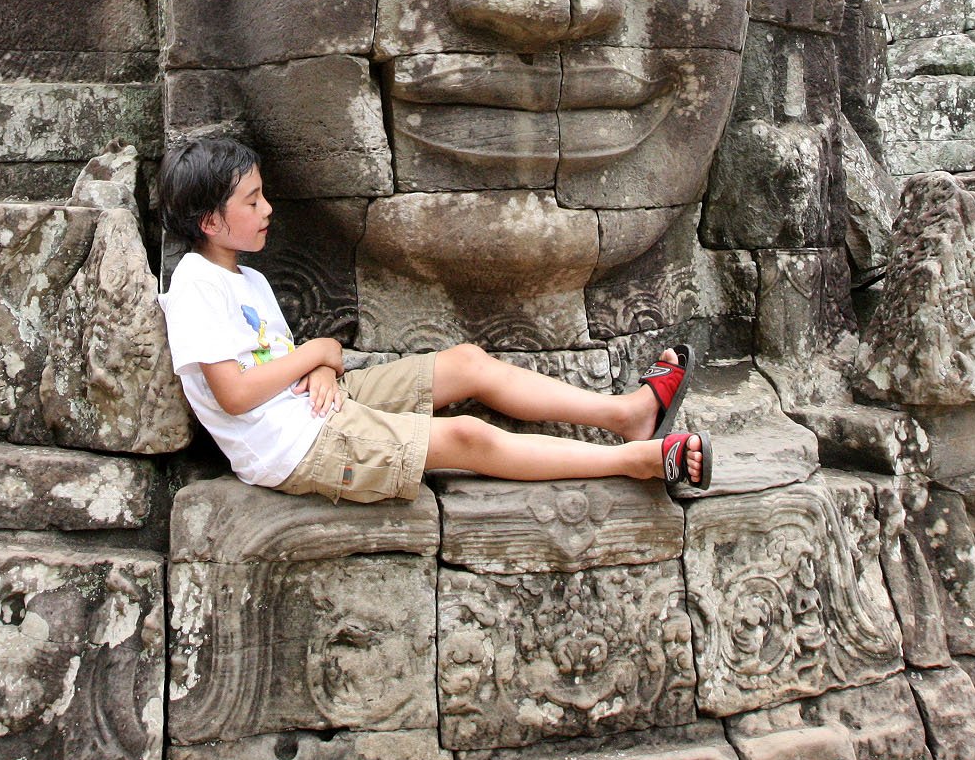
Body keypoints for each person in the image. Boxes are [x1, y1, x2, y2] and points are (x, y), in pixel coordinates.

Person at [158, 136, 712, 504]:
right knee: (467, 436)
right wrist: (318, 352)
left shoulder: (247, 280)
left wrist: (322, 367)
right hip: (292, 449)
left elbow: (282, 364)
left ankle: (626, 414)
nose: (267, 209)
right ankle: (635, 461)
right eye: (252, 202)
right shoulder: (193, 285)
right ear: (210, 221)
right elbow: (233, 394)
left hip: (313, 402)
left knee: (468, 363)